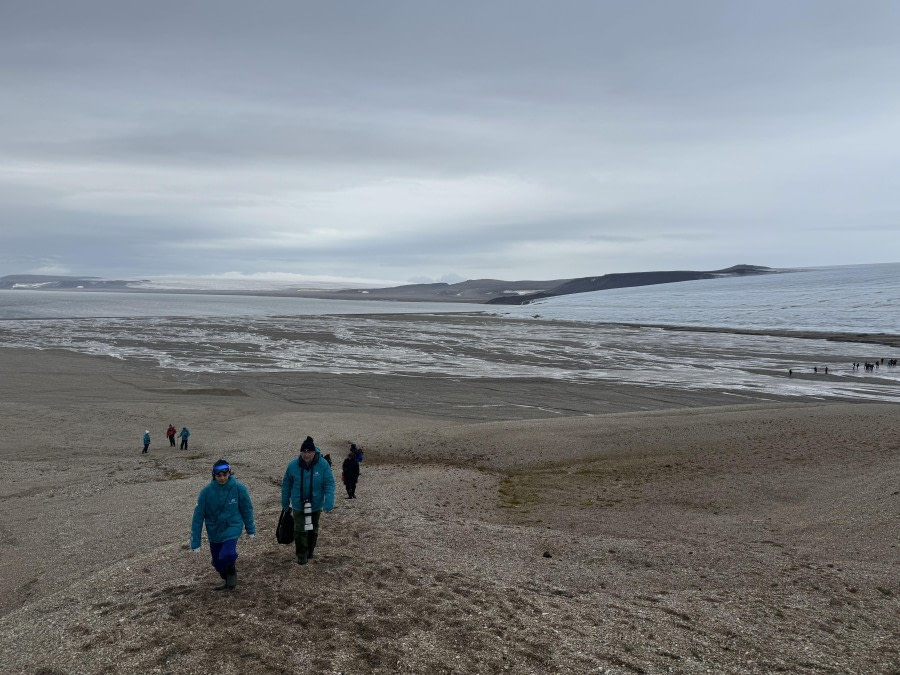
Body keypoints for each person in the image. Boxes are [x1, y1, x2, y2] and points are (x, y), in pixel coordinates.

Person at [190, 459, 256, 591]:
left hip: (233, 526)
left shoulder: (239, 488)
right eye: (218, 475)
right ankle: (227, 580)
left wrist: (250, 529)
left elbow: (247, 509)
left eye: (225, 475)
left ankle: (231, 572)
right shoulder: (206, 492)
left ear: (229, 474)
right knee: (217, 563)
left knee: (227, 554)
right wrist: (195, 543)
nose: (222, 478)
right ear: (213, 476)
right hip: (214, 530)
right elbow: (197, 518)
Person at [281, 436, 335, 565]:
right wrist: (284, 501)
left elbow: (329, 483)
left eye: (309, 452)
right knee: (299, 529)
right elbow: (286, 484)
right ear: (300, 452)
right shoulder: (293, 465)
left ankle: (310, 551)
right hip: (298, 503)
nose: (306, 455)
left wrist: (329, 501)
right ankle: (301, 554)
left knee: (312, 529)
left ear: (314, 452)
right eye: (304, 452)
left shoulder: (323, 464)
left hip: (316, 504)